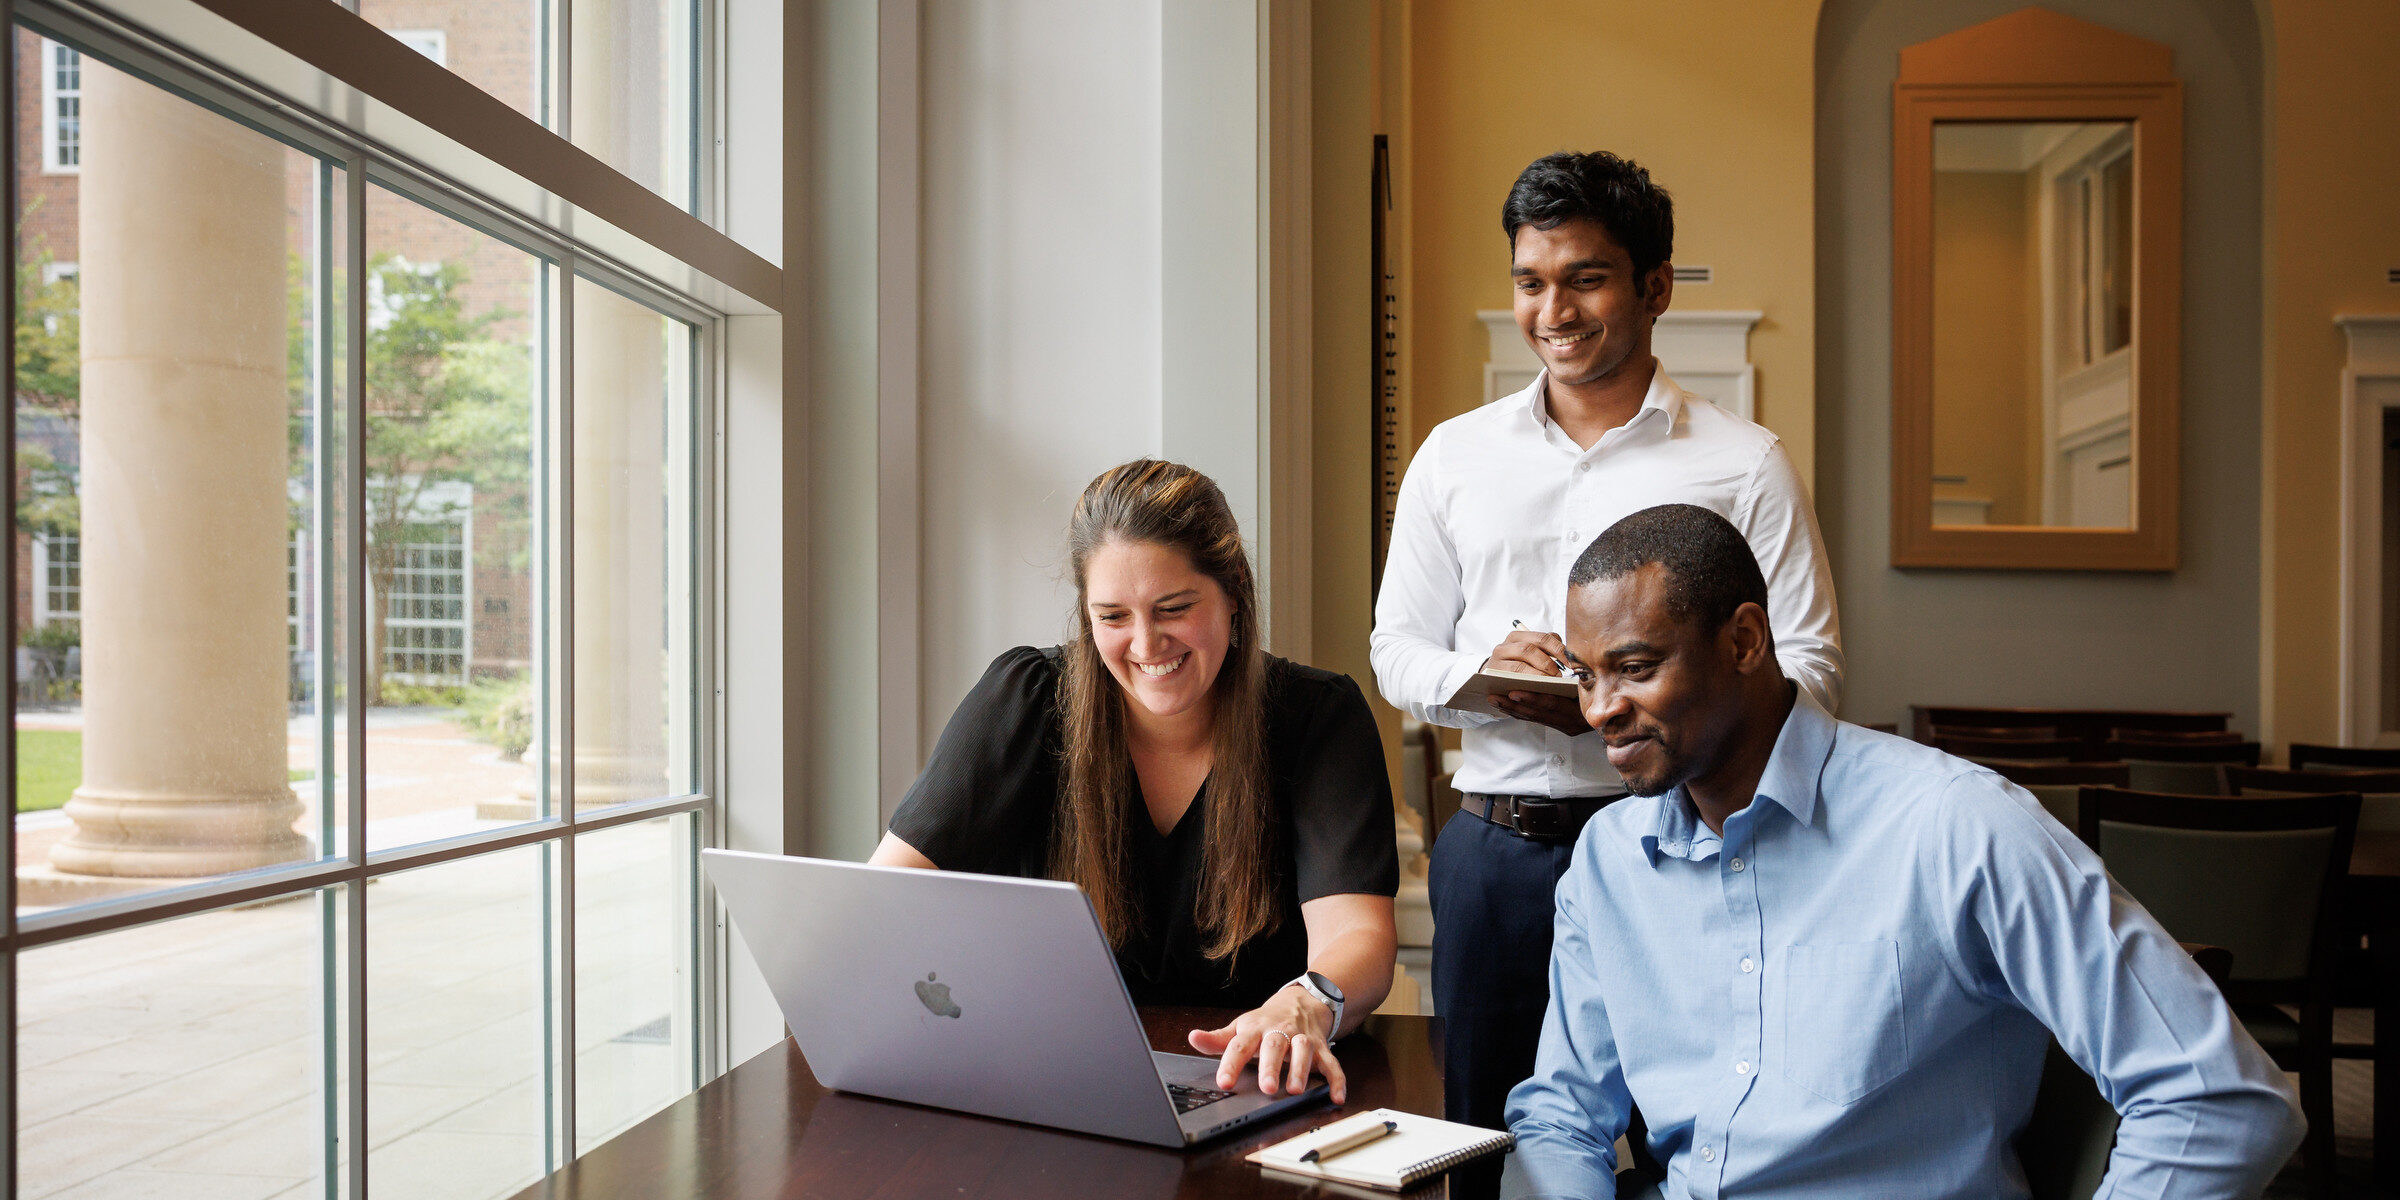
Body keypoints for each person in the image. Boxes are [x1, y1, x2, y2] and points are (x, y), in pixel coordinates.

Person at [1502, 503, 2304, 1200]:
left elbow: (2221, 1100)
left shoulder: (1960, 826)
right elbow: (1562, 1117)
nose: (1599, 709)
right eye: (1583, 675)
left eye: (1635, 669)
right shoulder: (1609, 860)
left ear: (1745, 640)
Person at [1368, 150, 1842, 1161]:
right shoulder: (1454, 457)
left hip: (1682, 849)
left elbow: (1814, 667)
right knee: (1482, 1145)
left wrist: (1658, 698)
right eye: (1531, 282)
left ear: (1654, 287)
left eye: (1585, 277)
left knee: (1694, 1144)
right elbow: (1396, 652)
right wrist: (1485, 678)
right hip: (1494, 855)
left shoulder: (1744, 464)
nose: (1554, 310)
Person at [871, 459, 1399, 1105]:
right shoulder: (1027, 698)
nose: (1147, 645)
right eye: (1112, 616)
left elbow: (1358, 936)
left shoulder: (1316, 716)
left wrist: (1305, 1002)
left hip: (1252, 1083)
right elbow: (888, 896)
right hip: (1047, 1079)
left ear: (1234, 589)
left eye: (1174, 608)